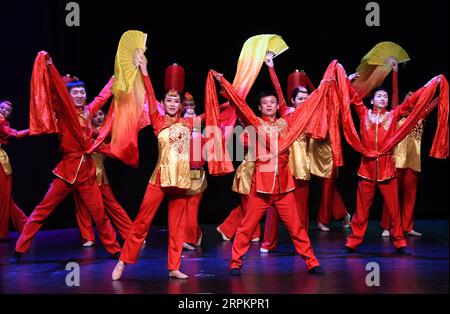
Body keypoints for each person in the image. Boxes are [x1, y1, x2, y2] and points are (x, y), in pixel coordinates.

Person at [211, 67, 326, 276]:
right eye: (265, 103)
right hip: (261, 188)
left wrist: (326, 82)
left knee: (297, 228)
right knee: (246, 227)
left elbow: (307, 107)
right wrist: (222, 81)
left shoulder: (286, 122)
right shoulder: (254, 124)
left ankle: (311, 262)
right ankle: (235, 262)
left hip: (284, 188)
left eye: (273, 102)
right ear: (260, 107)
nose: (270, 105)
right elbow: (238, 103)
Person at [10, 54, 121, 262]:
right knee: (42, 211)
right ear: (68, 96)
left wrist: (116, 78)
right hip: (66, 172)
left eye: (82, 92)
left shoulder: (88, 112)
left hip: (86, 173)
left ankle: (114, 249)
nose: (79, 95)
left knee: (100, 215)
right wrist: (51, 68)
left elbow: (103, 96)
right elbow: (57, 93)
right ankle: (19, 248)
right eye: (75, 92)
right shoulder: (64, 112)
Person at [112, 55, 194, 280]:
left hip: (179, 181)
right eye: (169, 100)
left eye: (176, 102)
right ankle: (122, 261)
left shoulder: (187, 123)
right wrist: (145, 72)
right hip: (159, 178)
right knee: (142, 222)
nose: (172, 104)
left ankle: (174, 267)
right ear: (163, 102)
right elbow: (149, 94)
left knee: (177, 226)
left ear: (180, 105)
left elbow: (210, 117)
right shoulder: (157, 121)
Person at [341, 86, 417, 255]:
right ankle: (353, 241)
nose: (383, 98)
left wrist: (429, 85)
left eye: (385, 96)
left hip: (386, 168)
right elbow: (353, 97)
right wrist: (344, 78)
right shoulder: (364, 113)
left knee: (394, 209)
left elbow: (411, 102)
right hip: (367, 168)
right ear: (372, 100)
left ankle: (400, 242)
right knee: (361, 210)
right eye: (379, 96)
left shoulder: (393, 115)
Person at [380, 92, 439, 237]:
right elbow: (395, 95)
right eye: (409, 98)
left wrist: (443, 86)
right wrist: (395, 73)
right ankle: (387, 227)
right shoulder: (397, 114)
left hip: (413, 161)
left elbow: (436, 100)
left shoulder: (422, 114)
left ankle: (407, 227)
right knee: (391, 195)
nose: (412, 100)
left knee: (410, 195)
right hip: (397, 160)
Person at [74, 108, 133, 246]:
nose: (99, 117)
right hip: (81, 171)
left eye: (101, 114)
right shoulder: (82, 129)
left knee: (112, 205)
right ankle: (87, 237)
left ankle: (130, 233)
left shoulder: (105, 130)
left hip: (99, 173)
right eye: (95, 115)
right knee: (82, 205)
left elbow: (104, 138)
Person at [0, 100, 29, 239]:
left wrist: (31, 130)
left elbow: (15, 134)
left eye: (7, 110)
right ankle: (26, 225)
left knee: (3, 198)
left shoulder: (1, 123)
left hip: (1, 163)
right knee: (5, 199)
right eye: (1, 108)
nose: (3, 111)